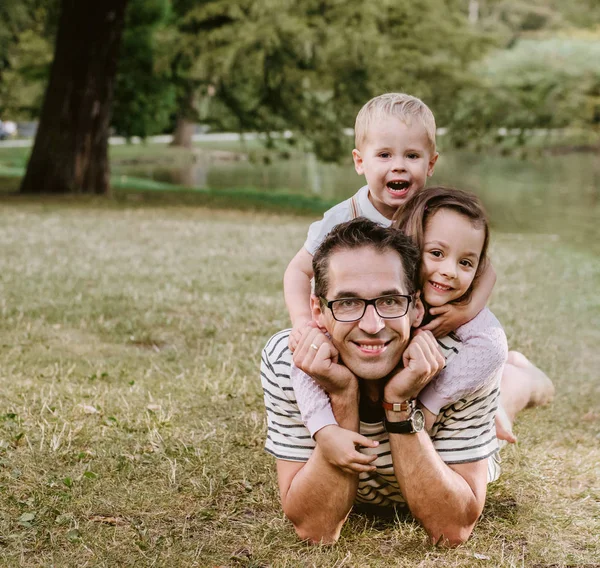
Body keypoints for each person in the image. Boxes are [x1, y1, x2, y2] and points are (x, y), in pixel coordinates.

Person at [261, 218, 553, 545]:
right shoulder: (291, 360)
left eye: (389, 301)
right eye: (347, 303)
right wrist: (342, 396)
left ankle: (522, 373)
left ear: (415, 308)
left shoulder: (462, 363)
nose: (372, 325)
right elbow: (315, 531)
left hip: (466, 414)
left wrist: (400, 407)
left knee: (510, 395)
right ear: (317, 310)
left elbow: (452, 529)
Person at [290, 187, 515, 468]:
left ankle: (515, 391)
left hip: (465, 392)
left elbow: (492, 349)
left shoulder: (458, 306)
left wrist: (430, 404)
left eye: (465, 262)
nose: (450, 271)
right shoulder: (376, 284)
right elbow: (305, 362)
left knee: (509, 385)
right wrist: (323, 428)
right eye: (436, 253)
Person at [283, 93, 496, 350]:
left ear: (431, 163)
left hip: (410, 327)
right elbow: (297, 271)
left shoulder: (435, 215)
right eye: (384, 155)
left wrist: (465, 311)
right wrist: (302, 321)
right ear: (360, 161)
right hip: (357, 325)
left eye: (412, 156)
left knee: (484, 342)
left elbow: (485, 270)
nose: (399, 166)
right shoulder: (343, 218)